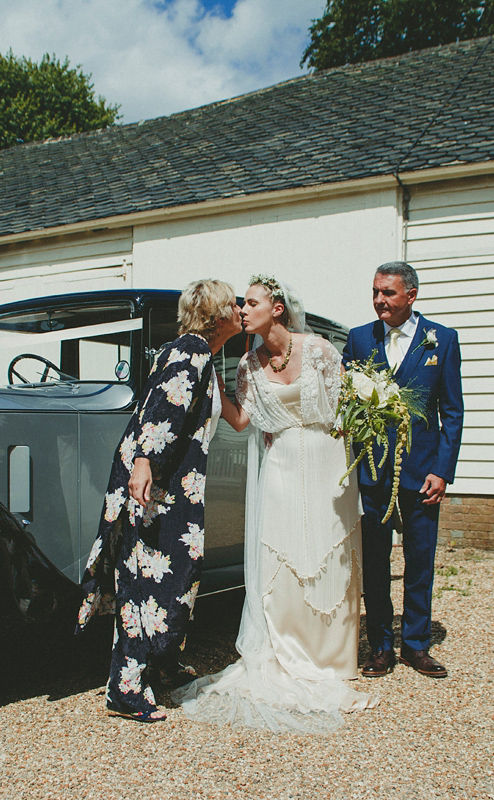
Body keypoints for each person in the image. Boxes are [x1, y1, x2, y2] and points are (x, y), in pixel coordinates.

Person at [174, 274, 376, 732]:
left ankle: (331, 657)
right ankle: (285, 651)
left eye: (250, 303)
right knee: (280, 557)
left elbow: (345, 411)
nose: (241, 311)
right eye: (240, 305)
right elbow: (244, 421)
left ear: (277, 308)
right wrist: (209, 381)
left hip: (327, 466)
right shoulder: (246, 364)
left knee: (330, 556)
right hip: (280, 467)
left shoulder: (321, 351)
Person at [77, 279, 242, 722]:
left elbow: (229, 417)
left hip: (174, 487)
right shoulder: (189, 351)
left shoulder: (200, 354)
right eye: (233, 304)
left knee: (178, 576)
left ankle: (161, 664)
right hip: (154, 485)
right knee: (145, 582)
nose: (240, 309)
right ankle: (125, 689)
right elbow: (160, 411)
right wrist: (145, 462)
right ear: (215, 314)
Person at [342, 261, 463, 679]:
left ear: (411, 295)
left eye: (388, 293)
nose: (379, 301)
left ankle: (415, 645)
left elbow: (452, 411)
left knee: (420, 563)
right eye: (375, 292)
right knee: (374, 566)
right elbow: (346, 402)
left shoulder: (441, 341)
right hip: (373, 476)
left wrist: (443, 471)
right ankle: (379, 647)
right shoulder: (359, 339)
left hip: (421, 474)